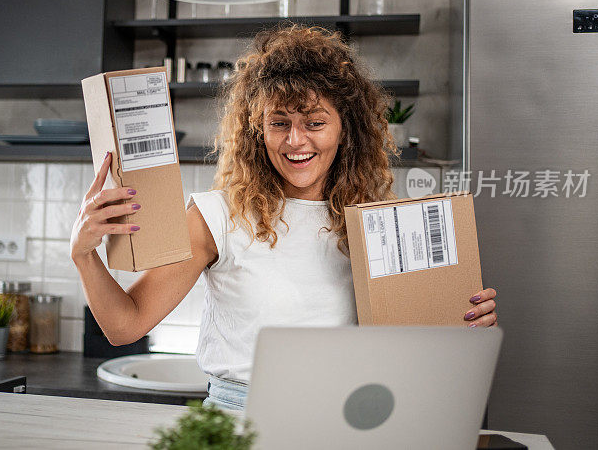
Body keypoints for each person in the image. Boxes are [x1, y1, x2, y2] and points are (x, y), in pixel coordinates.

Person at [70, 25, 498, 411]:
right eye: (279, 123)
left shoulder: (376, 227)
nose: (296, 141)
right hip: (239, 420)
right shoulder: (217, 216)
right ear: (258, 129)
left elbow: (411, 355)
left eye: (314, 122)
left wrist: (460, 324)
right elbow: (124, 326)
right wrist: (85, 255)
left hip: (342, 421)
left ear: (344, 128)